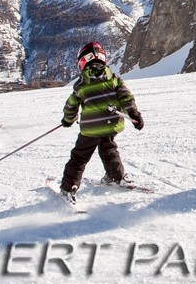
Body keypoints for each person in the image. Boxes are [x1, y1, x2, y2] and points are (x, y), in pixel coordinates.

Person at [57, 41, 144, 200]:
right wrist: (134, 114)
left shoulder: (81, 84)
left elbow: (71, 104)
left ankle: (68, 188)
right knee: (109, 150)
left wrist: (68, 119)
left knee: (79, 157)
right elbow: (126, 97)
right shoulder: (114, 79)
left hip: (90, 129)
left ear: (82, 61)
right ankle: (116, 177)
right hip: (111, 124)